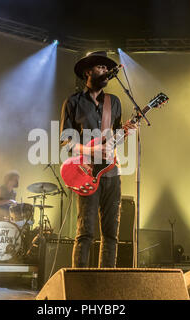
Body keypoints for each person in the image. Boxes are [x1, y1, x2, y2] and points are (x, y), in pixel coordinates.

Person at [59, 51, 136, 268]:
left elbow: (114, 139)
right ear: (88, 72)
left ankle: (106, 283)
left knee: (111, 233)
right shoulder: (73, 101)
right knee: (86, 232)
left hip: (112, 172)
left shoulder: (115, 102)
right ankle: (78, 283)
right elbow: (66, 140)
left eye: (106, 67)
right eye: (100, 67)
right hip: (86, 171)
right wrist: (91, 151)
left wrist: (126, 132)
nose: (104, 70)